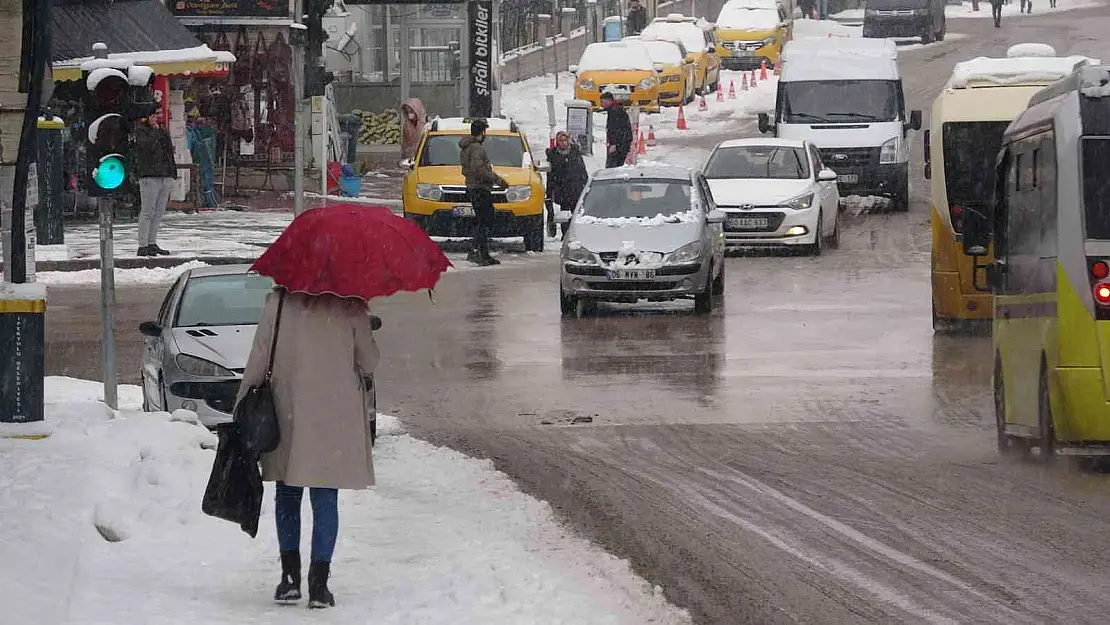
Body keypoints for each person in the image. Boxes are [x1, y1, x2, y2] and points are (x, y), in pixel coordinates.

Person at [237, 288, 380, 609]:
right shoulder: (350, 303)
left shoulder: (279, 301)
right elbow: (369, 361)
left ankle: (289, 579)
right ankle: (319, 584)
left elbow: (260, 356)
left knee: (287, 491)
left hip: (287, 410)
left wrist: (242, 404)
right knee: (325, 495)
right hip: (333, 415)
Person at [459, 118, 508, 266]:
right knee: (486, 221)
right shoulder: (476, 148)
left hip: (473, 187)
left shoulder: (467, 146)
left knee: (482, 220)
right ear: (481, 132)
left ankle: (477, 250)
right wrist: (497, 180)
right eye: (484, 132)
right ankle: (481, 253)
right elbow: (478, 169)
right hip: (480, 188)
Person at [133, 113, 177, 257]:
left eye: (157, 115)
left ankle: (152, 242)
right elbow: (146, 147)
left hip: (165, 174)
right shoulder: (142, 131)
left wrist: (172, 172)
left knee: (158, 211)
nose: (155, 118)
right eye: (152, 116)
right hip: (150, 175)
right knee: (147, 210)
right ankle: (143, 244)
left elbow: (169, 151)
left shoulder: (162, 130)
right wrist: (154, 131)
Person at [545, 131, 589, 238]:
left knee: (576, 214)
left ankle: (574, 234)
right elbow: (550, 176)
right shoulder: (553, 155)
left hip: (576, 188)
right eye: (561, 140)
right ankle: (565, 235)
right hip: (562, 190)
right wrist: (550, 192)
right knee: (564, 213)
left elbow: (582, 170)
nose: (563, 143)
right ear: (557, 142)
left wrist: (586, 184)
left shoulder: (575, 153)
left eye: (565, 140)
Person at [602, 91, 633, 168]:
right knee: (615, 167)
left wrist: (614, 144)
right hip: (622, 144)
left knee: (612, 169)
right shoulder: (615, 110)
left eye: (603, 102)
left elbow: (615, 130)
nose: (602, 104)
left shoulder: (615, 112)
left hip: (619, 146)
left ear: (610, 101)